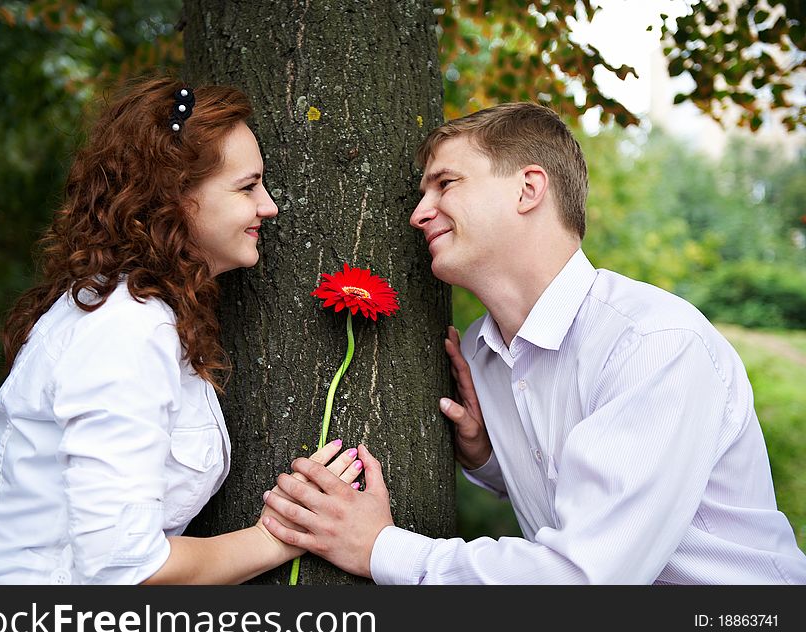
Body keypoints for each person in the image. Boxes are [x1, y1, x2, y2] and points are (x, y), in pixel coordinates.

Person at [261, 102, 806, 584]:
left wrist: (381, 549)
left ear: (528, 188)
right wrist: (488, 456)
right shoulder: (478, 353)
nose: (418, 213)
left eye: (445, 184)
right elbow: (579, 483)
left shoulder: (654, 346)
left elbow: (586, 579)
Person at [0, 77, 363, 585]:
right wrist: (278, 536)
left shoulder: (141, 315)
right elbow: (127, 567)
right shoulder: (124, 330)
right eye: (247, 186)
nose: (269, 206)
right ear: (175, 197)